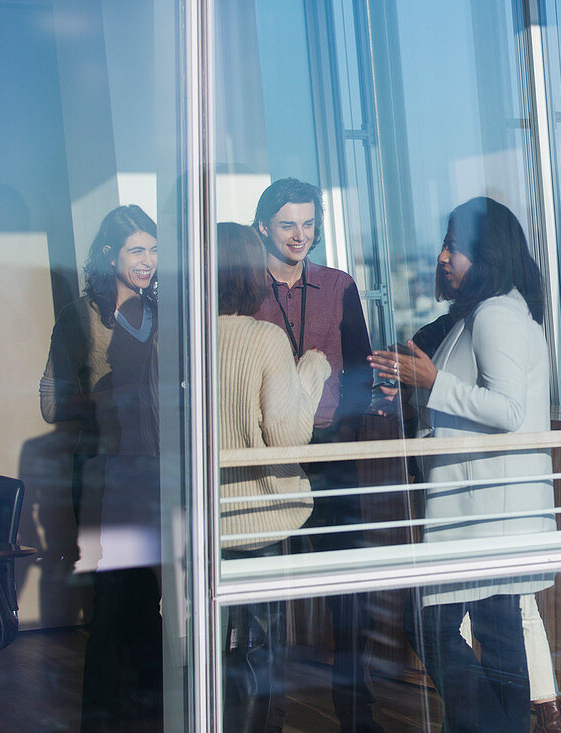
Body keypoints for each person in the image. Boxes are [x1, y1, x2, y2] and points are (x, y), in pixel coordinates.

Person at [370, 197, 556, 733]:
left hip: (487, 508)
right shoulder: (487, 312)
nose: (443, 257)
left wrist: (432, 384)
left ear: (485, 253)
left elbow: (508, 410)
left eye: (454, 246)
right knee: (499, 635)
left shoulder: (497, 314)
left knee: (426, 623)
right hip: (488, 505)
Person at [251, 178, 387, 732]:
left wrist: (349, 426)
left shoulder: (338, 284)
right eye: (288, 224)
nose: (300, 235)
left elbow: (358, 366)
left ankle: (358, 720)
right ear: (264, 227)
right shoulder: (239, 287)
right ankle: (265, 720)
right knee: (266, 603)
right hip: (263, 454)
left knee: (348, 597)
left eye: (309, 224)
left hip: (330, 450)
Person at [40, 204, 163, 731]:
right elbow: (51, 402)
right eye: (137, 250)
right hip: (105, 475)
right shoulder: (79, 315)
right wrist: (109, 398)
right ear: (110, 253)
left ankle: (154, 716)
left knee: (157, 601)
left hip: (160, 474)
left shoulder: (165, 313)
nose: (148, 262)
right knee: (115, 604)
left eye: (154, 250)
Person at [216, 222, 330, 733]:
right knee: (262, 649)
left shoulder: (174, 342)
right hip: (260, 516)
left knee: (213, 647)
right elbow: (289, 436)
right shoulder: (265, 339)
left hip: (205, 519)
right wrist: (313, 368)